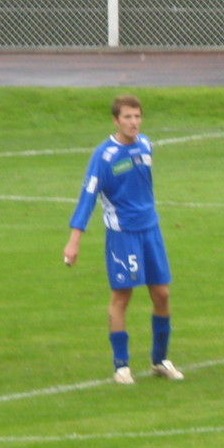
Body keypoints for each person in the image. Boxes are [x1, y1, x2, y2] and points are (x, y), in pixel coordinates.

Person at [64, 94, 183, 384]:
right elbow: (88, 197)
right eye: (128, 117)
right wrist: (74, 240)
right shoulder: (103, 156)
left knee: (162, 294)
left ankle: (159, 360)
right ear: (116, 120)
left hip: (150, 230)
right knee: (122, 296)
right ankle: (121, 366)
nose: (134, 122)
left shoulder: (146, 145)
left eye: (137, 116)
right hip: (123, 235)